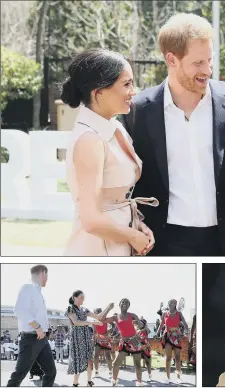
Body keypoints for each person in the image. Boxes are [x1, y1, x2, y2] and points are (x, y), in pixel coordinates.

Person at [119, 13, 225, 256]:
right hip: (163, 240)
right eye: (198, 63)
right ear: (172, 59)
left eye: (210, 60)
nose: (208, 70)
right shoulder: (137, 111)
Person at [61, 48, 158, 256]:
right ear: (99, 93)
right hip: (97, 249)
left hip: (117, 244)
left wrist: (137, 225)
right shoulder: (89, 139)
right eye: (126, 84)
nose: (134, 91)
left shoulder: (114, 127)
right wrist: (133, 236)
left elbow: (116, 200)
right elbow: (91, 220)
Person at [7, 265, 56, 387]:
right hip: (31, 338)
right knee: (19, 374)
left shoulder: (38, 292)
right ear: (43, 273)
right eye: (47, 276)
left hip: (42, 339)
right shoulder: (27, 288)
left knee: (51, 372)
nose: (47, 279)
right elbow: (19, 310)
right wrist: (38, 327)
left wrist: (44, 328)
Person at [66, 290, 114, 387]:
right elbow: (76, 322)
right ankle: (75, 383)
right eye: (81, 297)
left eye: (83, 298)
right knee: (78, 361)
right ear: (74, 297)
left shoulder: (84, 309)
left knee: (89, 359)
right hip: (76, 338)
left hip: (86, 337)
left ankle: (89, 381)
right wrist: (92, 323)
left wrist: (108, 307)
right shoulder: (70, 308)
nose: (83, 299)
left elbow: (99, 317)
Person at [102, 299, 144, 387]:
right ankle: (114, 381)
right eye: (123, 302)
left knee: (137, 363)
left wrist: (139, 324)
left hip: (135, 341)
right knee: (116, 363)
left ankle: (139, 383)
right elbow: (103, 319)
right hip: (124, 342)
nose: (124, 303)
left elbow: (140, 324)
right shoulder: (115, 317)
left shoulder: (132, 315)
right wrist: (108, 308)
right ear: (119, 305)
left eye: (127, 302)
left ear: (129, 306)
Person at [156, 299, 189, 384]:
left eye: (173, 303)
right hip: (167, 336)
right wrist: (157, 333)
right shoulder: (164, 314)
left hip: (177, 336)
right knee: (168, 358)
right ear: (168, 304)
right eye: (170, 302)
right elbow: (161, 325)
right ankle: (167, 377)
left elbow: (185, 324)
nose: (172, 304)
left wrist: (185, 331)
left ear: (175, 304)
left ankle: (178, 377)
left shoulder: (179, 314)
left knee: (177, 358)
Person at [92, 308, 113, 378]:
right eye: (95, 313)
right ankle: (96, 371)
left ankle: (110, 371)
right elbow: (94, 331)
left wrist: (108, 332)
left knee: (108, 356)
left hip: (106, 340)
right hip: (98, 340)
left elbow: (114, 325)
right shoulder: (94, 321)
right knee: (95, 356)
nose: (97, 314)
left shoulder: (106, 319)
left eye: (98, 312)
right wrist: (94, 336)